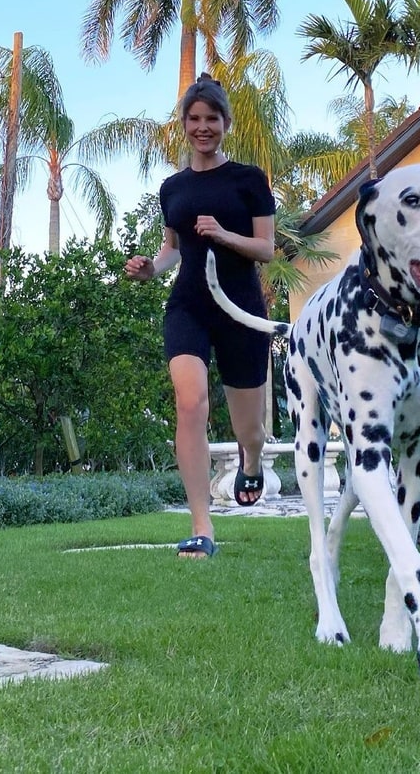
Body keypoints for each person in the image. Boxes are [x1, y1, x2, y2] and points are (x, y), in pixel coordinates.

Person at [125, 74, 276, 558]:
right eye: (195, 119)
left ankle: (250, 457)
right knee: (190, 403)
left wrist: (224, 235)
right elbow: (173, 250)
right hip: (189, 304)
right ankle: (201, 525)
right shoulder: (173, 188)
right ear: (185, 125)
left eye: (212, 118)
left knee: (246, 426)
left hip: (241, 308)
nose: (203, 127)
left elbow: (267, 249)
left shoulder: (249, 180)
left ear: (225, 124)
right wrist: (151, 268)